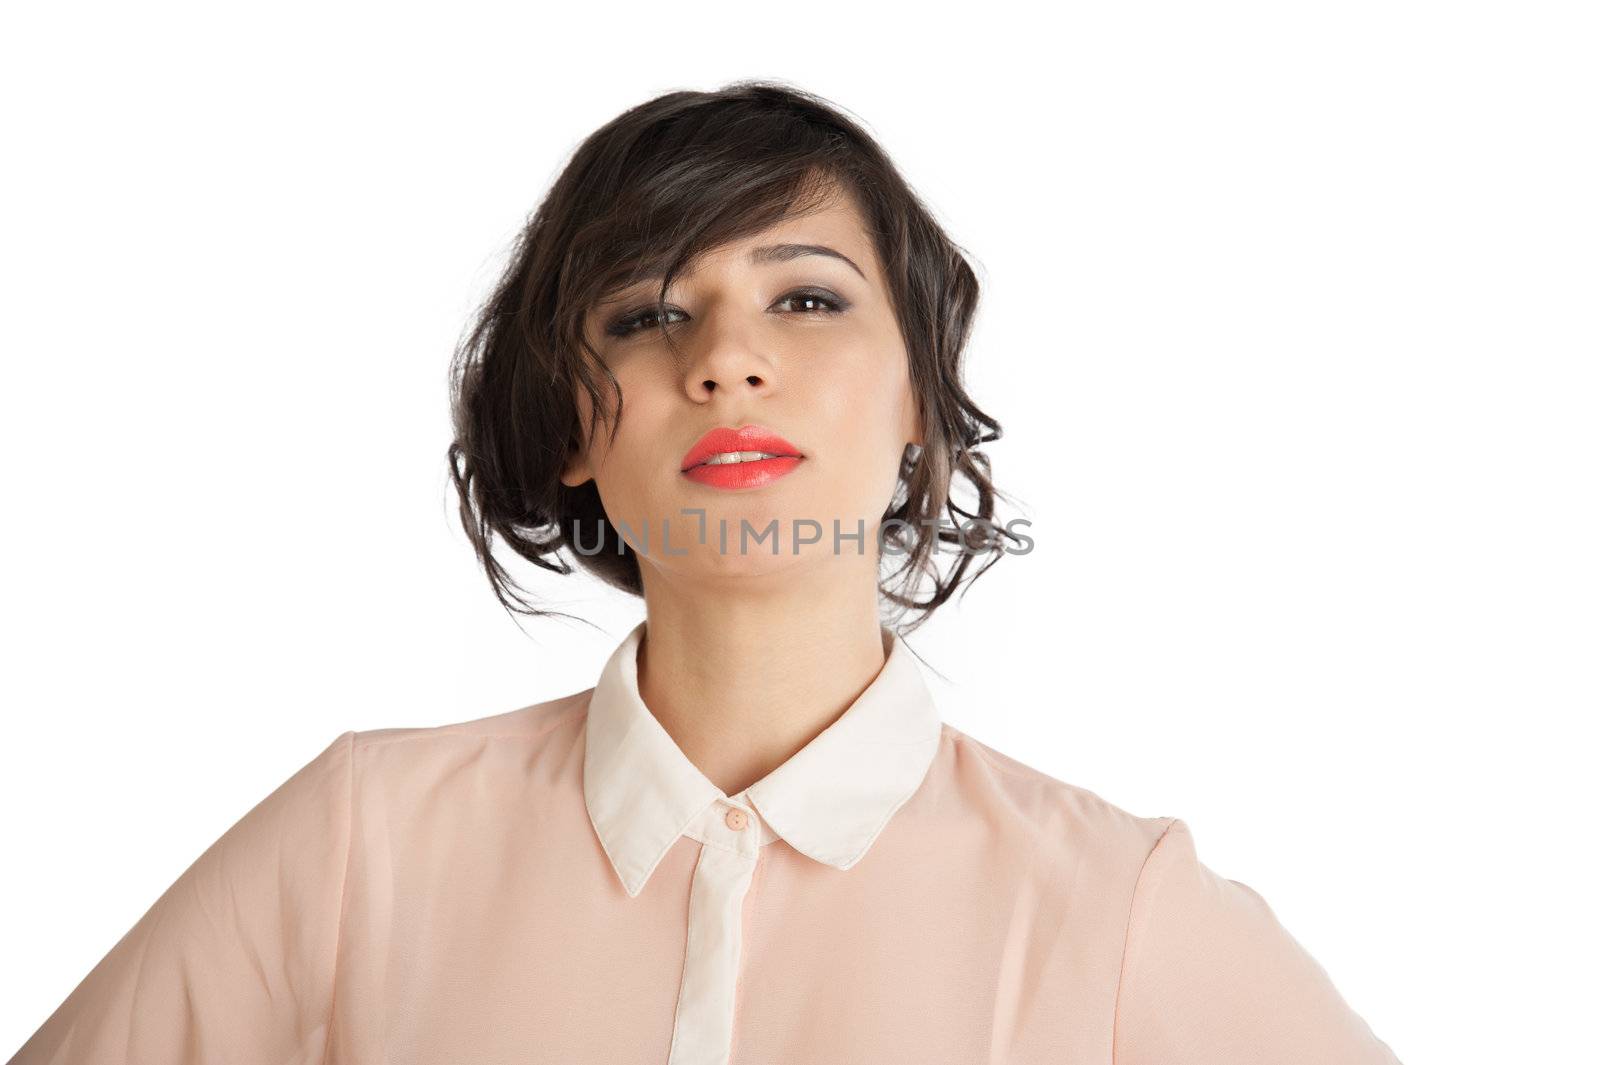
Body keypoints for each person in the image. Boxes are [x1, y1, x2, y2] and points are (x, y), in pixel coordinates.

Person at [8, 80, 1403, 1065]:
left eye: (806, 296)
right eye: (645, 314)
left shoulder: (1119, 910)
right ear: (567, 426)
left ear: (920, 395)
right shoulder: (358, 847)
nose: (726, 356)